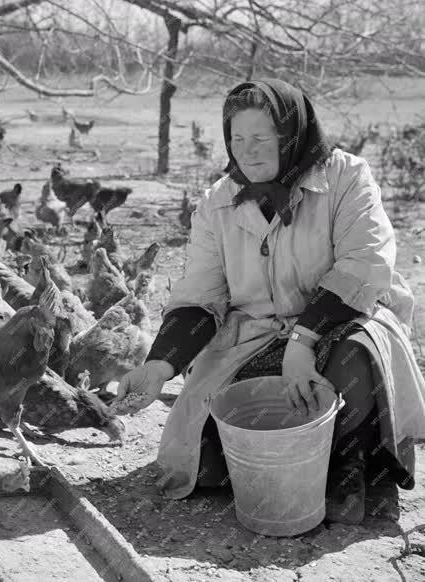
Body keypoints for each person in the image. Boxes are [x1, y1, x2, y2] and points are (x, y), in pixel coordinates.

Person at [112, 78, 425, 525]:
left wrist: (302, 342)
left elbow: (363, 267)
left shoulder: (346, 177)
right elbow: (199, 297)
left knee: (354, 357)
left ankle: (349, 463)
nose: (248, 151)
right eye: (237, 139)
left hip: (343, 320)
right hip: (254, 337)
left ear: (292, 135)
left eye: (262, 138)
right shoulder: (218, 202)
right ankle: (295, 459)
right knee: (206, 467)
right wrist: (159, 366)